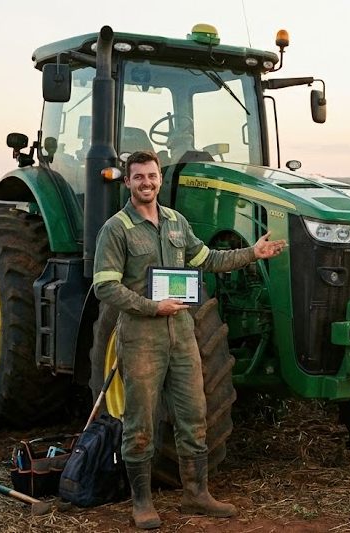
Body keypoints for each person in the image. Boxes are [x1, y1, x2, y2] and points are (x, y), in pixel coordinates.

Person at [92, 150, 287, 530]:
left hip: (182, 336)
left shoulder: (176, 222)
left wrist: (253, 253)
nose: (146, 183)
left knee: (194, 416)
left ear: (160, 179)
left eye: (152, 176)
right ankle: (143, 502)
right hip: (142, 337)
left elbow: (206, 259)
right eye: (138, 177)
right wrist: (152, 307)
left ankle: (196, 495)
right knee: (141, 421)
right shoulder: (116, 229)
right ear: (128, 182)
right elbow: (105, 287)